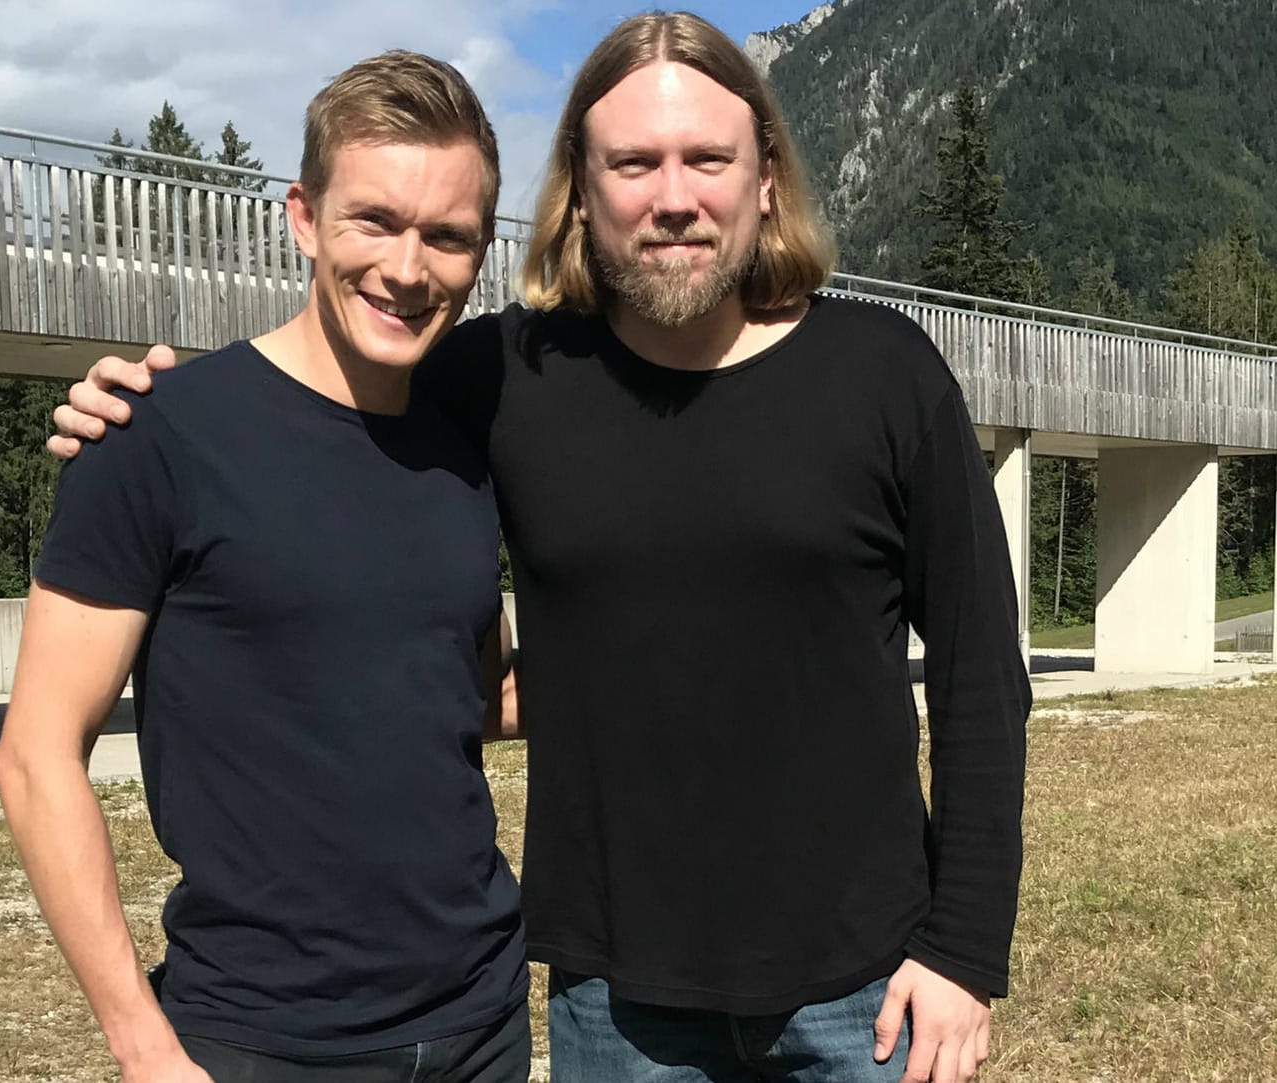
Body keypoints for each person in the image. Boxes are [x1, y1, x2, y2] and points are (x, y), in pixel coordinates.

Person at [50, 13, 1030, 1082]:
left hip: (869, 990)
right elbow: (324, 391)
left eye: (708, 158)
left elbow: (982, 673)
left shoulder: (885, 374)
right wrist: (144, 402)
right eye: (633, 162)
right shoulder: (505, 377)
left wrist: (964, 951)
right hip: (617, 1003)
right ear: (583, 187)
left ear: (764, 180)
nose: (672, 196)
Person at [0, 52, 530, 1083]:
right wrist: (142, 1044)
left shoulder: (466, 448)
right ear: (302, 216)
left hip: (483, 1025)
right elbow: (34, 756)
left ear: (479, 251)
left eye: (447, 236)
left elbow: (470, 697)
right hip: (257, 1041)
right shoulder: (159, 435)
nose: (409, 269)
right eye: (374, 220)